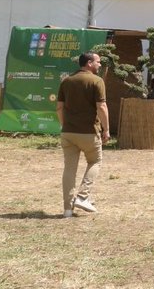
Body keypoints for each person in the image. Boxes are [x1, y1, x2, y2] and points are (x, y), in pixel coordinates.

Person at [57, 51, 109, 218]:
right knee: (95, 161)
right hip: (89, 132)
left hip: (68, 132)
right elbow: (101, 107)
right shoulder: (97, 81)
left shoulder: (66, 81)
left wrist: (64, 125)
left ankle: (67, 210)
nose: (99, 65)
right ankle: (83, 196)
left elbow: (59, 107)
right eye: (98, 62)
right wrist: (106, 129)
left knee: (69, 169)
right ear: (89, 63)